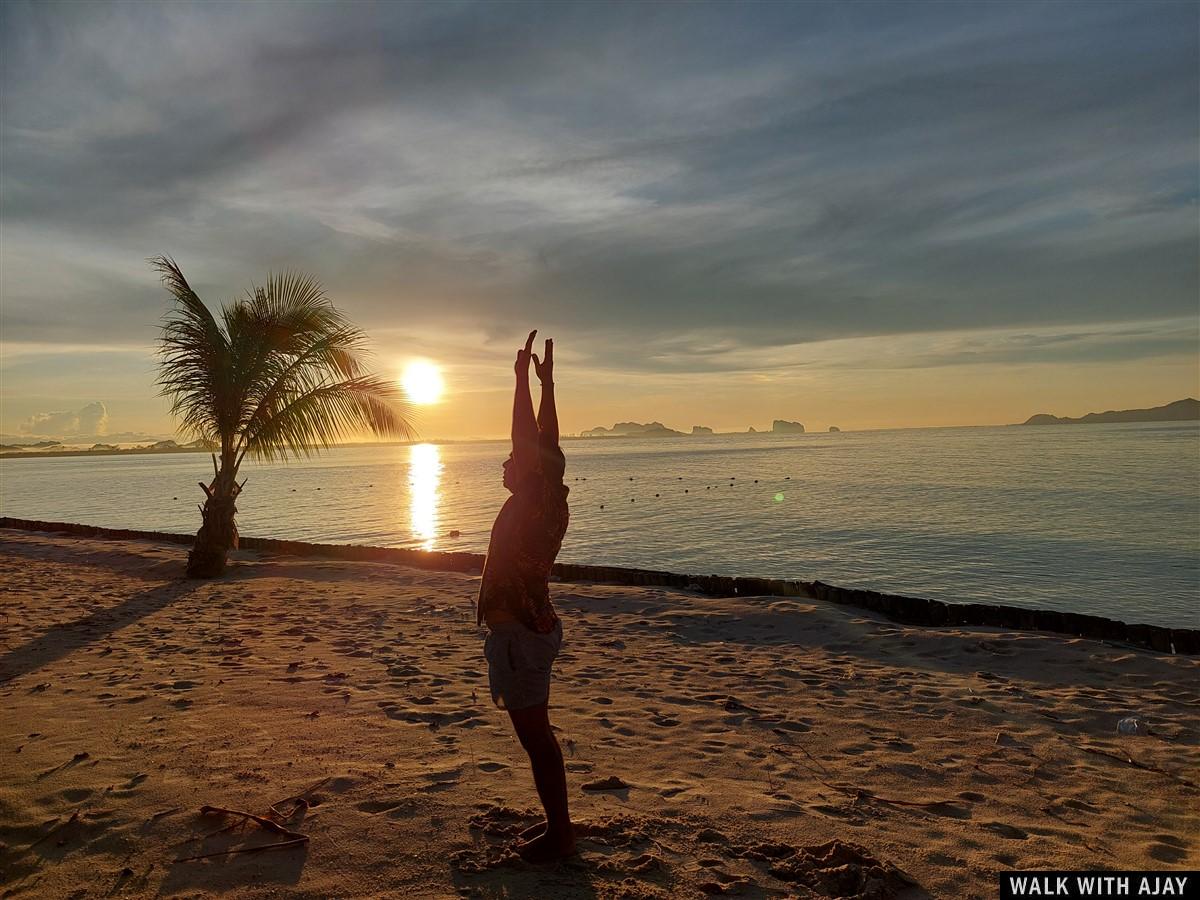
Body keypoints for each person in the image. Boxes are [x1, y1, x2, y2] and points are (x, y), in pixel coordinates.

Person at [476, 329, 574, 862]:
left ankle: (560, 835)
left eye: (514, 460)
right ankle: (558, 829)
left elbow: (529, 440)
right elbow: (546, 441)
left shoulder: (537, 501)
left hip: (520, 634)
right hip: (526, 629)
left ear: (531, 470)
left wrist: (519, 382)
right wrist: (547, 385)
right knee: (537, 737)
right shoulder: (548, 498)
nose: (506, 464)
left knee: (537, 739)